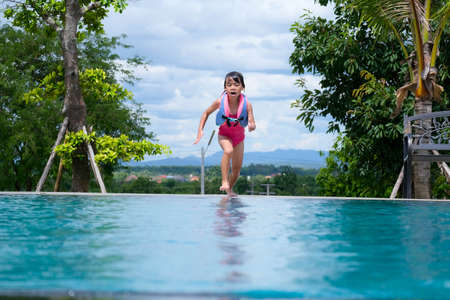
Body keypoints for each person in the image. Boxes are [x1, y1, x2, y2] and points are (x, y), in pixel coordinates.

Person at [194, 71, 256, 197]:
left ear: (243, 88)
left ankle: (229, 189)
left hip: (239, 138)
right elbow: (206, 113)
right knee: (228, 151)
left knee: (237, 171)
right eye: (229, 84)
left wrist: (251, 125)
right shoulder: (219, 102)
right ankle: (224, 181)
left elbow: (252, 121)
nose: (233, 87)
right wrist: (200, 130)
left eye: (236, 84)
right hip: (224, 135)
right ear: (225, 88)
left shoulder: (247, 104)